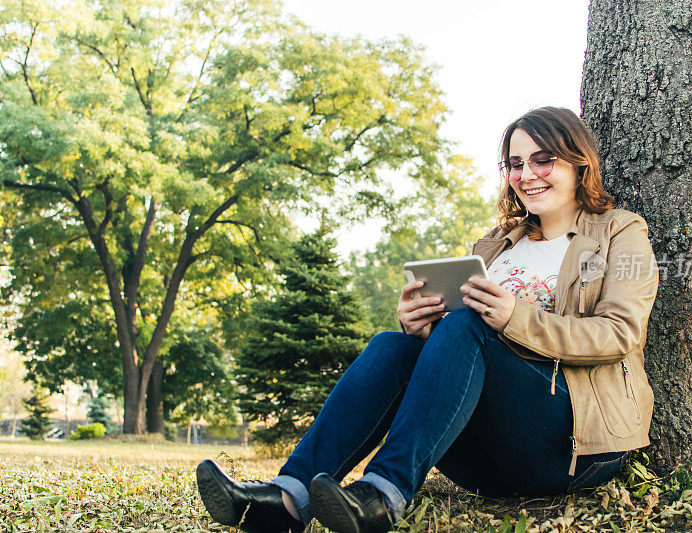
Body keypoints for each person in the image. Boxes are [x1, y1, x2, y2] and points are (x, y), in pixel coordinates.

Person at [195, 106, 660, 533]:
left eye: (543, 161)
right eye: (515, 164)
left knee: (473, 323)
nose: (526, 175)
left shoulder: (622, 231)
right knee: (392, 345)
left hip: (571, 445)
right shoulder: (497, 243)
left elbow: (620, 332)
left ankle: (381, 496)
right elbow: (462, 355)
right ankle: (285, 498)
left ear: (579, 164)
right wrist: (423, 327)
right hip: (484, 455)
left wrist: (513, 317)